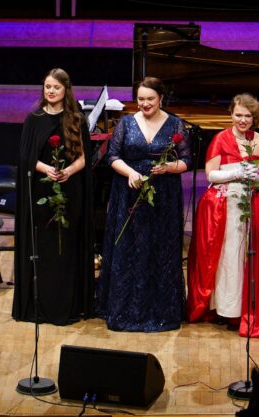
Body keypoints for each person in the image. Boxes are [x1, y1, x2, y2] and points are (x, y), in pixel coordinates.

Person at [186, 93, 259, 337]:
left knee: (249, 256)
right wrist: (237, 173)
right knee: (228, 256)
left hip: (255, 203)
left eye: (248, 116)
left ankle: (248, 309)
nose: (242, 120)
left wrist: (255, 176)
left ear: (254, 118)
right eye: (238, 115)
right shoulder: (220, 138)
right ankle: (226, 308)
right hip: (225, 205)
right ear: (231, 114)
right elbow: (211, 174)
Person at [96, 76, 190, 332]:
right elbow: (112, 156)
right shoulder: (126, 123)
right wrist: (130, 173)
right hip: (129, 194)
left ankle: (160, 310)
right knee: (130, 248)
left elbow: (186, 161)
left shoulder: (175, 123)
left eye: (150, 99)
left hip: (164, 197)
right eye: (140, 99)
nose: (145, 104)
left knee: (160, 248)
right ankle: (126, 310)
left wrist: (170, 167)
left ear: (160, 98)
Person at [12, 68, 94, 325]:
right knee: (45, 247)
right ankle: (42, 304)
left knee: (66, 247)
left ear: (65, 90)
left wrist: (68, 171)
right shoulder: (33, 119)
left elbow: (84, 157)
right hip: (41, 191)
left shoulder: (77, 119)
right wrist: (45, 168)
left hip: (70, 192)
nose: (50, 91)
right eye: (47, 86)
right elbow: (25, 157)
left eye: (55, 88)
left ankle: (67, 305)